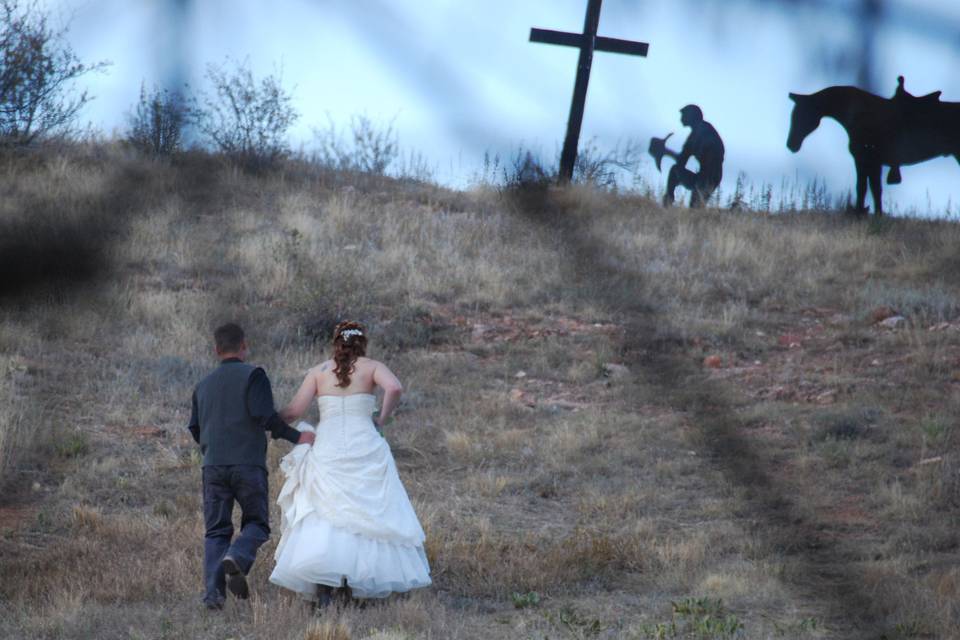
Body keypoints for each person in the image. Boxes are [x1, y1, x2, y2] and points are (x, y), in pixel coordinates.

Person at [269, 321, 431, 604]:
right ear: (362, 342)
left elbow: (294, 411)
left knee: (324, 509)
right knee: (368, 510)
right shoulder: (372, 367)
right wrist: (382, 418)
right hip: (364, 441)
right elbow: (394, 388)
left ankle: (324, 588)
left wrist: (267, 419)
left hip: (329, 444)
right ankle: (358, 583)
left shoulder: (318, 372)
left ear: (336, 343)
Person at [187, 323, 315, 610]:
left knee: (216, 531)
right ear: (244, 346)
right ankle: (237, 556)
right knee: (257, 524)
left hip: (213, 467)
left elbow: (195, 428)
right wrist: (298, 437)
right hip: (248, 464)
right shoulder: (254, 376)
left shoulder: (202, 385)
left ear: (216, 350)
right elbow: (264, 416)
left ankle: (213, 596)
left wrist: (213, 448)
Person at [662, 104, 725, 208]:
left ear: (691, 116)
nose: (681, 118)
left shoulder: (702, 131)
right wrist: (666, 152)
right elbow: (681, 161)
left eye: (684, 115)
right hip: (704, 176)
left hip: (709, 177)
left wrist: (665, 151)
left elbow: (682, 160)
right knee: (675, 171)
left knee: (695, 208)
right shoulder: (697, 133)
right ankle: (667, 204)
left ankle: (668, 204)